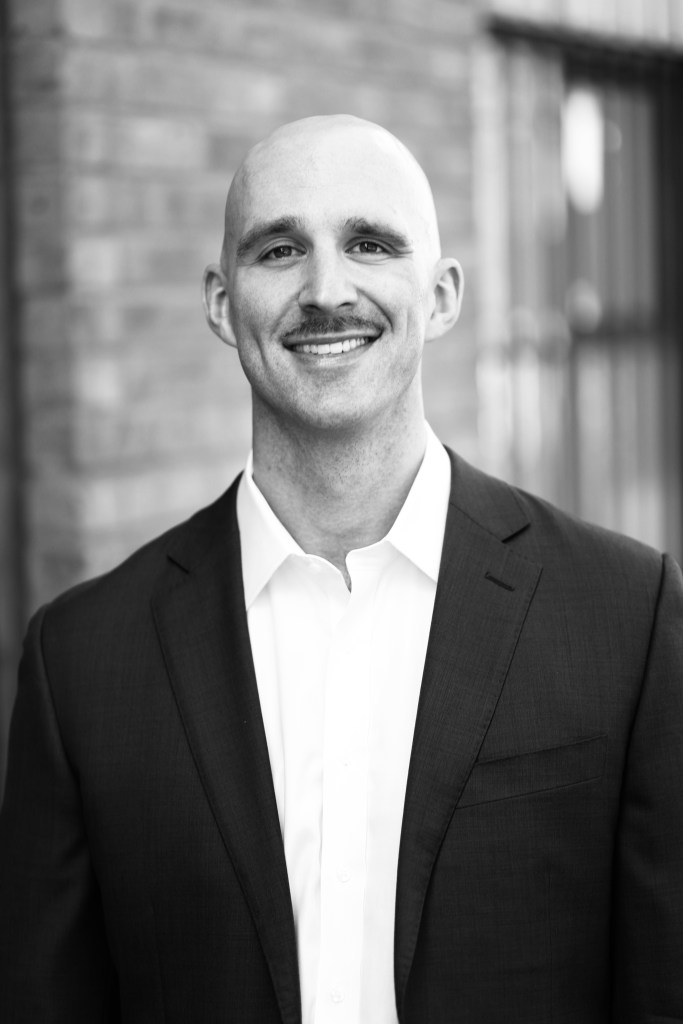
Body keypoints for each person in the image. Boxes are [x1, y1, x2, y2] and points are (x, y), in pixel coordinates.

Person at [0, 114, 682, 1024]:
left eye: (368, 244)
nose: (326, 291)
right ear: (218, 302)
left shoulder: (623, 618)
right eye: (279, 249)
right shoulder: (80, 661)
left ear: (440, 295)